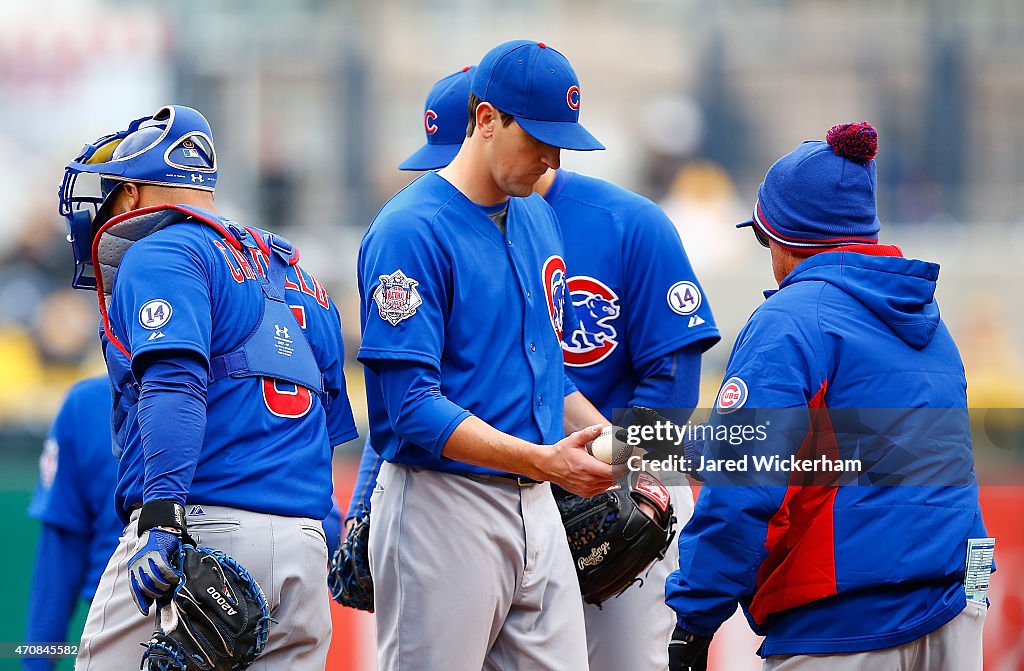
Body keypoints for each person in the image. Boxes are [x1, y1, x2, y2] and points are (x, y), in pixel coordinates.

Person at [665, 122, 991, 671]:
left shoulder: (790, 320)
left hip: (845, 622)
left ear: (788, 238)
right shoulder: (931, 324)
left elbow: (745, 483)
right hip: (959, 600)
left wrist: (695, 616)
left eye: (764, 238)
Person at [57, 104, 358, 670]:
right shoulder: (300, 274)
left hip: (200, 531)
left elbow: (174, 383)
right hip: (304, 550)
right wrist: (327, 538)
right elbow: (329, 432)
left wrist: (162, 515)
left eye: (113, 192)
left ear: (135, 193)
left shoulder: (164, 250)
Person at [357, 40, 616, 670]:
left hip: (536, 502)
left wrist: (616, 443)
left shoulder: (535, 218)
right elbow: (412, 408)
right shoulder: (409, 230)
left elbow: (546, 375)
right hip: (442, 502)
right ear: (486, 120)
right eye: (540, 138)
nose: (553, 158)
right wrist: (543, 459)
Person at [24, 376, 121, 671]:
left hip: (229, 618)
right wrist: (37, 663)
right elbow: (60, 554)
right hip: (118, 625)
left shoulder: (246, 390)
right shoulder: (87, 404)